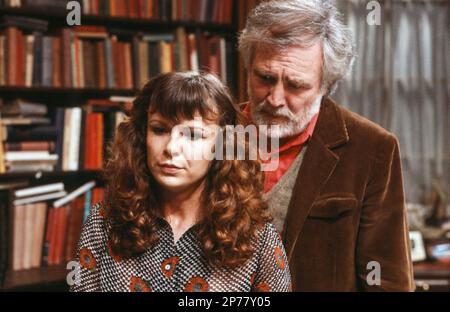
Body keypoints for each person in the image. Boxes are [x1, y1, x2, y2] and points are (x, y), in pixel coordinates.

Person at [238, 0, 414, 291]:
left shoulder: (372, 149)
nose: (275, 99)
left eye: (295, 85)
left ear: (326, 86)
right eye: (265, 78)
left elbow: (388, 281)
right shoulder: (210, 134)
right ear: (248, 67)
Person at [70, 72, 291, 292]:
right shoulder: (103, 223)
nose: (171, 148)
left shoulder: (257, 236)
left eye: (193, 135)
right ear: (141, 136)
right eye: (159, 129)